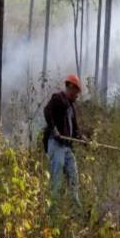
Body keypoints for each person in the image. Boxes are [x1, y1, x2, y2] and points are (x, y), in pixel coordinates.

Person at [44, 75, 83, 207]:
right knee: (57, 180)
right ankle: (52, 213)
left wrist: (83, 139)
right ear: (71, 87)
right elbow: (47, 112)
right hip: (56, 145)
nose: (77, 96)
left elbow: (75, 129)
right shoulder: (58, 98)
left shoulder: (71, 107)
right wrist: (54, 129)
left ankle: (77, 211)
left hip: (67, 148)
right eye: (76, 92)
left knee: (74, 176)